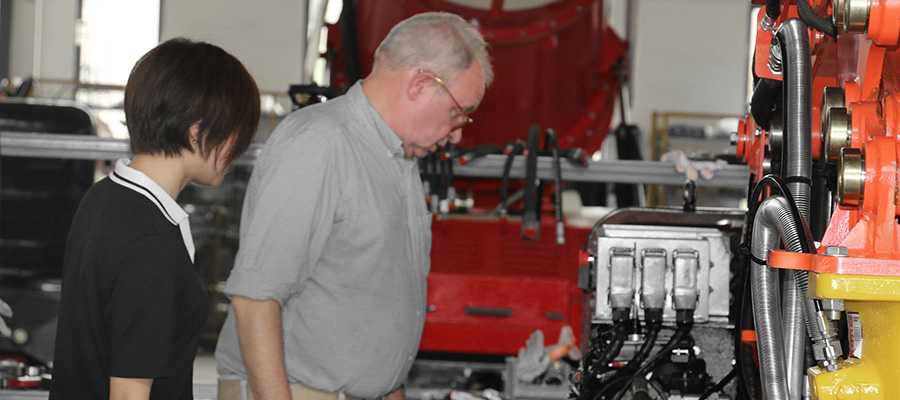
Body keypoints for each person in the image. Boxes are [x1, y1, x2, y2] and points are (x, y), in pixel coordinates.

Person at [214, 11, 493, 400]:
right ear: (421, 83)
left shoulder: (398, 161)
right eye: (457, 113)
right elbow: (255, 297)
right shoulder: (320, 143)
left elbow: (375, 319)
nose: (458, 134)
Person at [49, 38, 260, 400]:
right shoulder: (148, 240)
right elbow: (130, 393)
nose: (240, 147)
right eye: (236, 131)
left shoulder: (107, 198)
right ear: (197, 131)